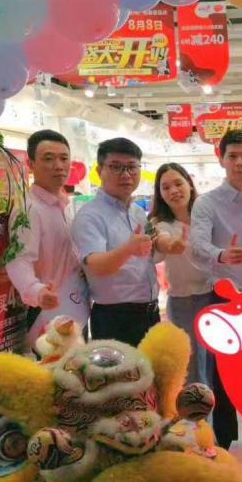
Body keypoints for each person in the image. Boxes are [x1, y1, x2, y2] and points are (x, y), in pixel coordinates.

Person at [190, 129, 242, 448]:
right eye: (232, 156)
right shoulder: (207, 204)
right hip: (223, 301)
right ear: (221, 159)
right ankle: (225, 450)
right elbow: (196, 247)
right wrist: (221, 254)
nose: (239, 163)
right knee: (224, 383)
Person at [71, 137, 161, 347]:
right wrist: (128, 249)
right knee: (120, 369)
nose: (126, 174)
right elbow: (97, 266)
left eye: (132, 167)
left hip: (150, 313)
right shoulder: (90, 216)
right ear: (99, 170)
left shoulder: (137, 212)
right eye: (116, 167)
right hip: (116, 318)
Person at [6, 129, 90, 344]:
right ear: (31, 164)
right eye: (48, 159)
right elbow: (18, 259)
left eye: (64, 158)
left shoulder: (64, 205)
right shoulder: (29, 209)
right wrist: (37, 291)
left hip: (75, 305)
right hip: (49, 310)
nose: (58, 166)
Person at [149, 163, 209, 383]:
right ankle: (197, 406)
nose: (173, 191)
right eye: (165, 187)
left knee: (215, 361)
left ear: (189, 185)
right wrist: (170, 245)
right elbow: (161, 240)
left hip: (213, 297)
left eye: (178, 183)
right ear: (160, 194)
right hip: (183, 301)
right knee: (191, 365)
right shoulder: (160, 224)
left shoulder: (206, 218)